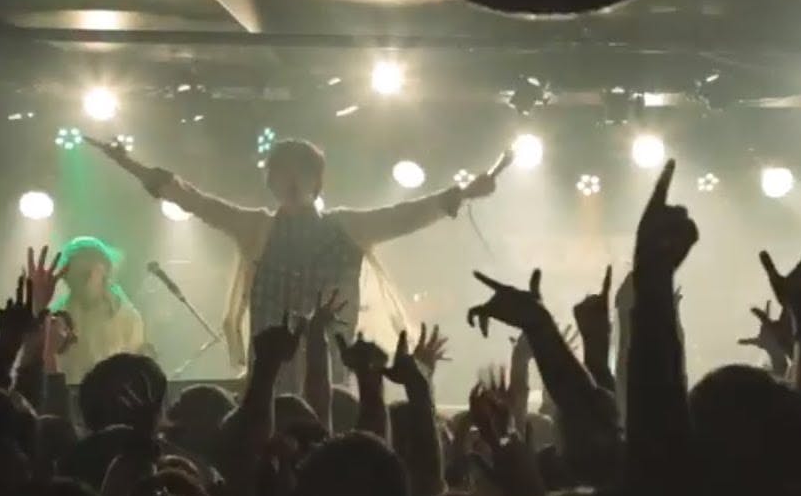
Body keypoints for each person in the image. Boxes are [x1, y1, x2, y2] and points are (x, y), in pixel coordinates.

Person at [85, 135, 503, 389]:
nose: (291, 181)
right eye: (282, 172)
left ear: (317, 181)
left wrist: (463, 193)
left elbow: (406, 215)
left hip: (330, 369)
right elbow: (192, 199)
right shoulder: (255, 228)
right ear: (269, 180)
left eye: (300, 172)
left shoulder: (347, 227)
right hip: (270, 372)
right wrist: (129, 164)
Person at [51, 236, 146, 384]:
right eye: (80, 274)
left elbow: (136, 368)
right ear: (66, 276)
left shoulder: (128, 317)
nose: (87, 280)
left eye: (90, 272)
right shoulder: (55, 318)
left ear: (106, 272)